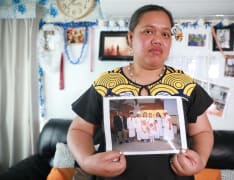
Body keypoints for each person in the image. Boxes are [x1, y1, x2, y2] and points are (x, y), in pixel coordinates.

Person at [67, 4, 214, 180]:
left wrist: (201, 159)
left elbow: (202, 132)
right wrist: (86, 161)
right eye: (148, 31)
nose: (158, 39)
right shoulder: (107, 83)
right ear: (130, 38)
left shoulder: (184, 84)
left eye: (165, 34)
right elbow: (79, 130)